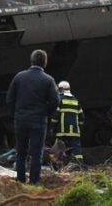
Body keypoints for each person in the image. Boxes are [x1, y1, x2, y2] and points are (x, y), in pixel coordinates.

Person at [6, 49, 59, 184]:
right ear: (45, 63)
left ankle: (21, 180)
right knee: (37, 153)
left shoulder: (19, 77)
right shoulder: (48, 80)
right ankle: (34, 181)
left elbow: (9, 99)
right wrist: (46, 113)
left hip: (21, 120)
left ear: (31, 61)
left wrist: (16, 114)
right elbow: (55, 101)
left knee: (21, 151)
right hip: (39, 121)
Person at [54, 81, 84, 167]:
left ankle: (58, 164)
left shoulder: (60, 100)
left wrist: (52, 127)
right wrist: (80, 126)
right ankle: (79, 164)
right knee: (76, 147)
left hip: (62, 131)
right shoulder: (76, 101)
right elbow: (82, 117)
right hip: (74, 130)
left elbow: (55, 116)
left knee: (58, 147)